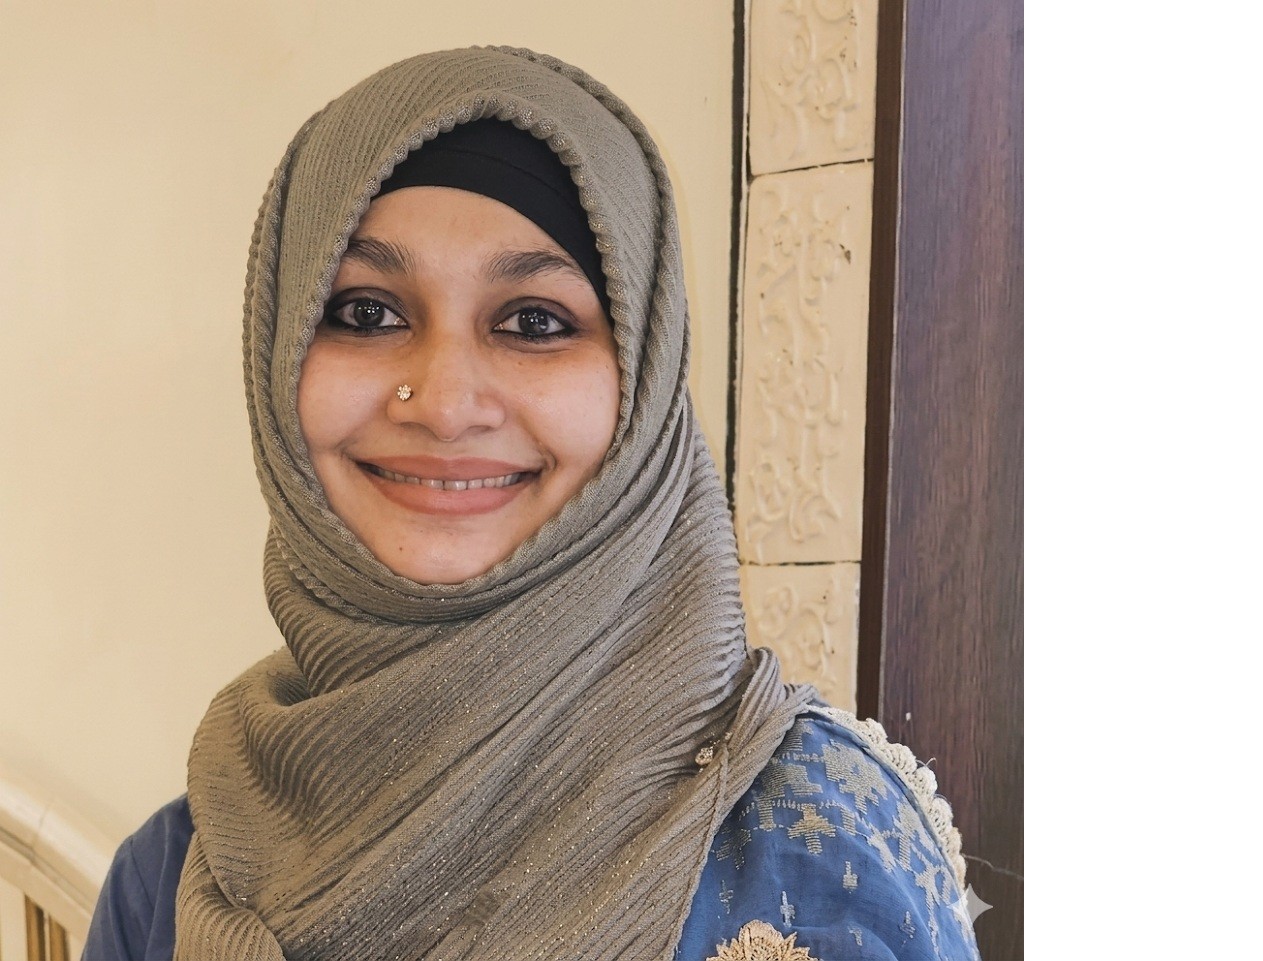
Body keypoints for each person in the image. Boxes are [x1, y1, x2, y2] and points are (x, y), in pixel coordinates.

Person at [82, 47, 980, 961]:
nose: (442, 403)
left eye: (533, 322)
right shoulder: (178, 871)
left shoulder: (818, 852)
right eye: (366, 313)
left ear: (642, 387)